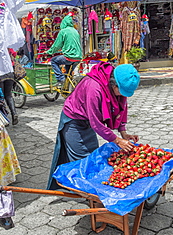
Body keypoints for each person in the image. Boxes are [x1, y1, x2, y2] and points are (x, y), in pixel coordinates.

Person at [47, 62, 140, 190]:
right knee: (82, 159)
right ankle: (86, 193)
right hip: (74, 120)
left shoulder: (115, 83)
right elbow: (96, 123)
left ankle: (88, 189)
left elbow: (121, 107)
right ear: (113, 84)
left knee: (93, 155)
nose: (122, 96)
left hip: (88, 120)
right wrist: (118, 141)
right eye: (121, 91)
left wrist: (123, 132)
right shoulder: (94, 88)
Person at [45, 13, 82, 85]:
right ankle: (68, 88)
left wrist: (49, 52)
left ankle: (60, 79)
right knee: (68, 74)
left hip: (69, 57)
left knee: (53, 61)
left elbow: (57, 45)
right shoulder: (75, 31)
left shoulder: (63, 31)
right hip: (78, 57)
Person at [0, 49, 19, 125]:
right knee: (8, 95)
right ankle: (14, 113)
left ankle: (4, 118)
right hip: (9, 73)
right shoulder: (6, 45)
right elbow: (14, 54)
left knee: (0, 97)